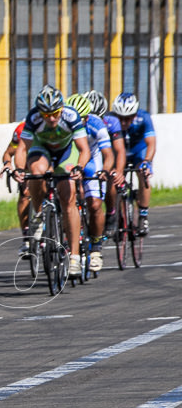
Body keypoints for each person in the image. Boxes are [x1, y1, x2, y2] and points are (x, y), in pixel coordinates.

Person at [12, 85, 90, 278]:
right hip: (43, 149)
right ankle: (37, 215)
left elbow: (84, 149)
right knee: (36, 171)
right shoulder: (34, 118)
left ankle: (74, 257)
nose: (52, 118)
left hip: (65, 152)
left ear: (61, 109)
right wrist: (20, 170)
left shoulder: (71, 116)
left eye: (55, 114)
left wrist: (79, 167)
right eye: (47, 115)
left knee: (68, 196)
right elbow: (21, 150)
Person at [65, 94, 112, 272]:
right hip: (72, 158)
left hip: (92, 159)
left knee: (94, 205)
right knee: (66, 198)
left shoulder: (96, 125)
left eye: (82, 118)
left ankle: (96, 248)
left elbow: (108, 154)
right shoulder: (64, 122)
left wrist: (104, 171)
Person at [108, 92, 156, 236]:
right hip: (118, 152)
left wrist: (147, 161)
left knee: (143, 174)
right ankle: (116, 213)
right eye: (120, 118)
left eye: (127, 118)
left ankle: (143, 215)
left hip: (137, 151)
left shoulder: (144, 117)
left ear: (134, 115)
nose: (123, 122)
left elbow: (151, 143)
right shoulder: (109, 119)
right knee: (113, 177)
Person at [85, 90, 126, 240]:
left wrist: (118, 171)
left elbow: (119, 150)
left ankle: (111, 212)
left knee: (110, 177)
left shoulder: (111, 122)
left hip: (106, 154)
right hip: (89, 154)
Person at [0, 119, 31, 254]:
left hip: (49, 162)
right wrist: (7, 163)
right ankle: (27, 238)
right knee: (25, 193)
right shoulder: (21, 130)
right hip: (28, 166)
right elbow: (8, 152)